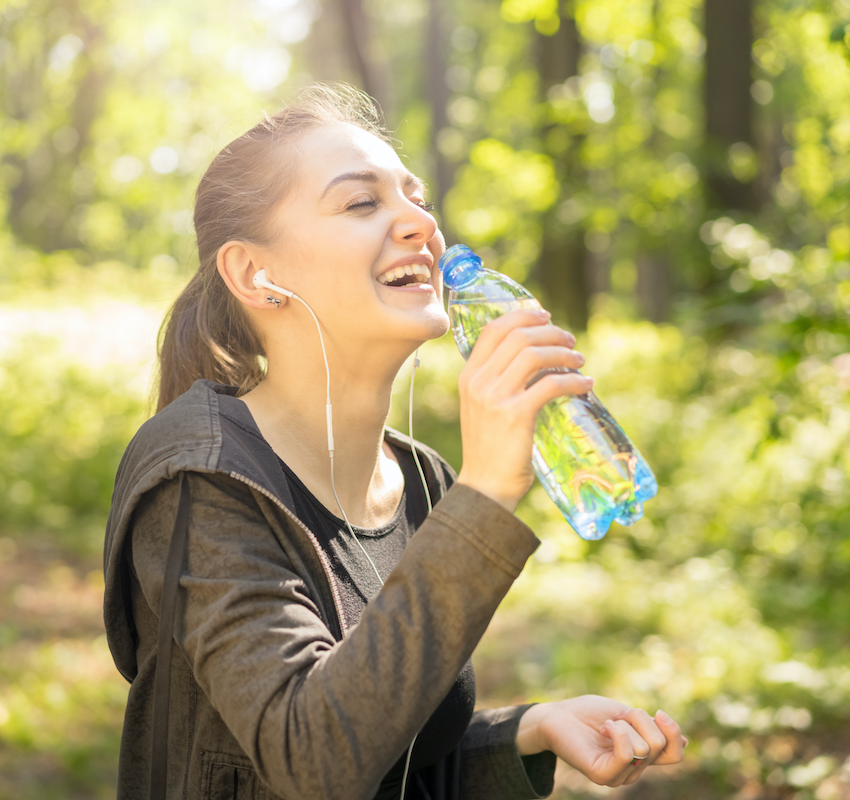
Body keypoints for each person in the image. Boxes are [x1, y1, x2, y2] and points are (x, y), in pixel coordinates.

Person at [102, 84, 687, 800]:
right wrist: (489, 492)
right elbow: (309, 760)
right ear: (257, 274)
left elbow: (388, 754)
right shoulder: (201, 476)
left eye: (416, 198)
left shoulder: (421, 481)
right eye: (362, 202)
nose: (420, 222)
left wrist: (527, 732)